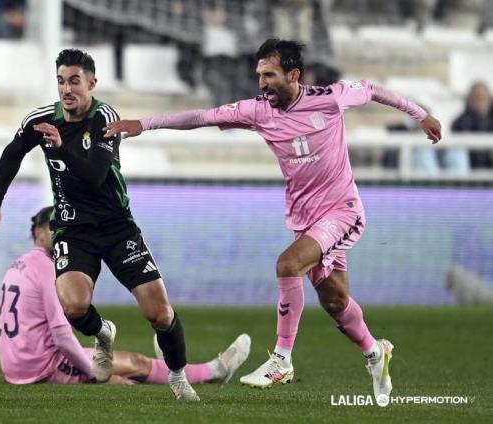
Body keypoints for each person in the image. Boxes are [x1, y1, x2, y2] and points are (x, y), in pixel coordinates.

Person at [104, 38, 442, 405]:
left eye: (269, 74)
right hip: (305, 219)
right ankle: (376, 352)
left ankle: (281, 359)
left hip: (342, 210)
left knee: (288, 265)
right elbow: (202, 116)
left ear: (293, 74)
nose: (262, 83)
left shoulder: (330, 98)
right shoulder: (257, 111)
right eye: (259, 75)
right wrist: (145, 123)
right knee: (334, 300)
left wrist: (419, 114)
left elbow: (374, 90)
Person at [0, 49, 202, 401]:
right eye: (60, 81)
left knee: (159, 313)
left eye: (74, 81)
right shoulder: (42, 119)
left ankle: (177, 375)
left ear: (91, 84)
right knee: (73, 307)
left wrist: (59, 147)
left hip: (117, 227)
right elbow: (12, 152)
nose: (66, 89)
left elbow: (95, 175)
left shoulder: (105, 118)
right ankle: (102, 334)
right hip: (73, 229)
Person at [0, 206, 252, 386]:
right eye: (53, 228)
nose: (60, 232)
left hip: (17, 364)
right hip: (42, 368)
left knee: (126, 362)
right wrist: (98, 376)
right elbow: (62, 336)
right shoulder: (47, 268)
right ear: (38, 233)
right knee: (136, 364)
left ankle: (183, 367)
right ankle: (214, 371)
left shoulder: (20, 264)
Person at [451, 81, 493, 169]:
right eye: (476, 97)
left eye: (482, 98)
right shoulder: (459, 122)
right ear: (469, 99)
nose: (479, 101)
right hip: (468, 168)